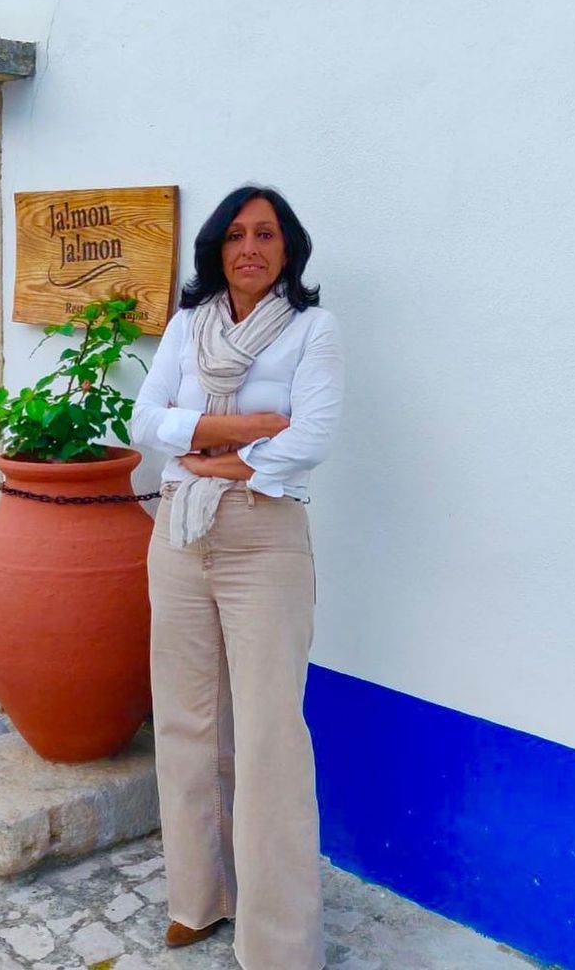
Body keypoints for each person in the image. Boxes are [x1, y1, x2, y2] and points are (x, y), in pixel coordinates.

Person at [130, 184, 344, 970]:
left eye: (267, 234)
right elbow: (143, 421)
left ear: (288, 249)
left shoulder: (313, 331)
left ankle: (280, 944)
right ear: (216, 248)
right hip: (181, 533)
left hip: (265, 538)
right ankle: (199, 898)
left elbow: (313, 435)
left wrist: (222, 456)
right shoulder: (188, 325)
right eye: (236, 234)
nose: (250, 246)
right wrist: (246, 427)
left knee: (268, 738)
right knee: (186, 722)